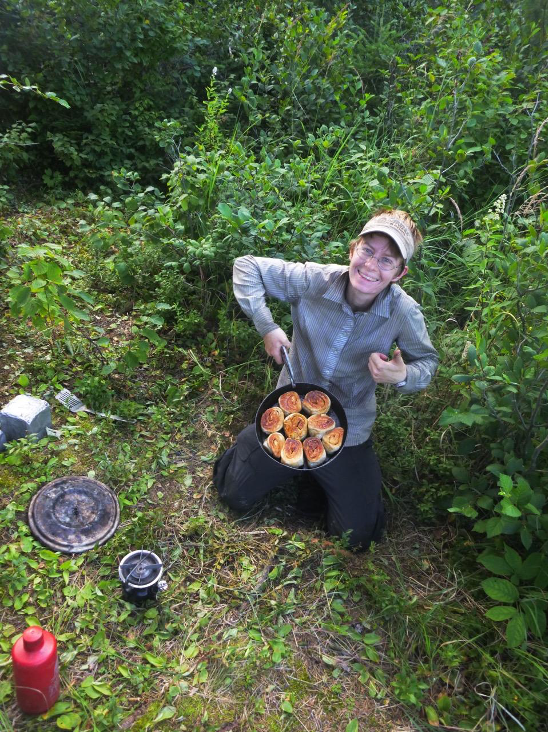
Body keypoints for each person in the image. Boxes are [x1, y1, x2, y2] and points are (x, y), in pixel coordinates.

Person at [213, 209, 439, 549]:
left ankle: (316, 476)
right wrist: (268, 327)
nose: (371, 265)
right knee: (233, 493)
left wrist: (403, 374)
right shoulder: (315, 280)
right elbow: (247, 266)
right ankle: (269, 454)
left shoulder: (402, 312)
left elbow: (428, 361)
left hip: (348, 429)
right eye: (367, 250)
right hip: (287, 414)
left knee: (357, 538)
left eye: (387, 260)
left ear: (400, 273)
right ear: (352, 250)